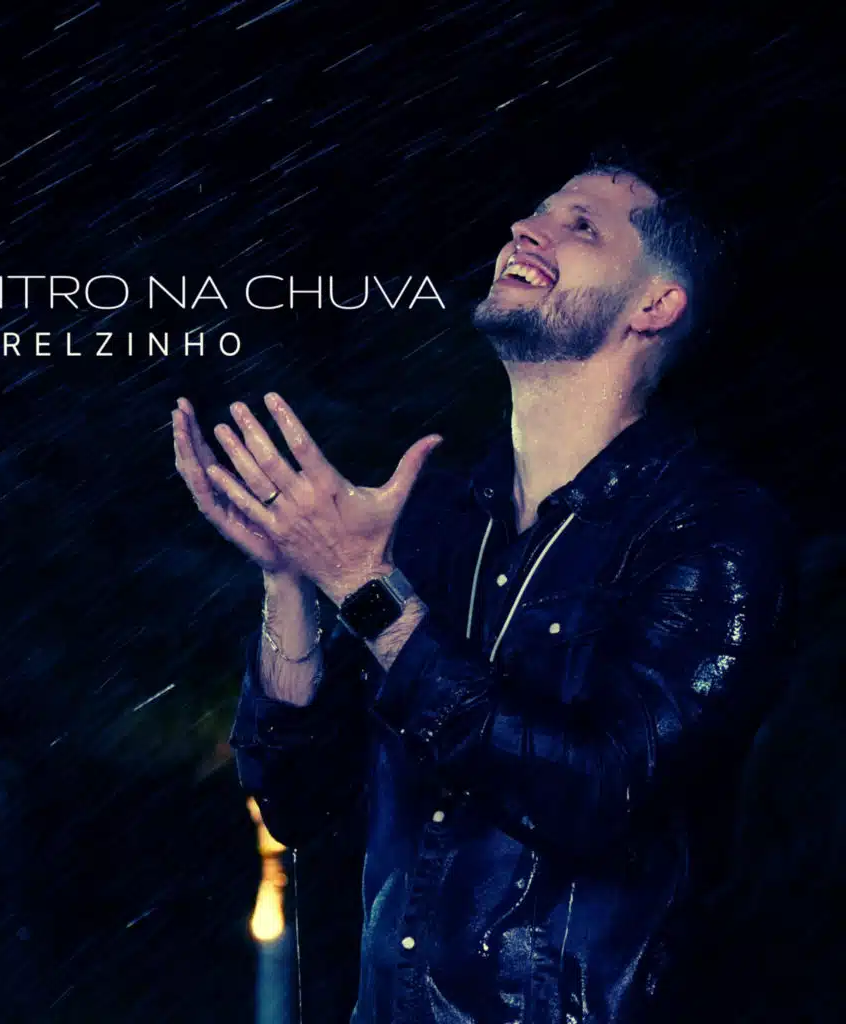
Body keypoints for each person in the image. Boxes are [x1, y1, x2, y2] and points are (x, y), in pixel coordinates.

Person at [172, 162, 797, 1023]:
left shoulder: (716, 530)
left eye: (582, 225)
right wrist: (291, 578)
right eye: (537, 210)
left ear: (654, 306)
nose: (525, 229)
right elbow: (297, 800)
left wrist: (361, 584)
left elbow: (600, 793)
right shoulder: (435, 521)